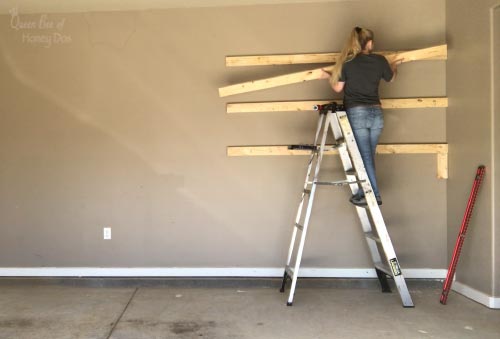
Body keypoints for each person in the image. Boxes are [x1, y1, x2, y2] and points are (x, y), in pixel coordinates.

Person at [320, 26, 402, 207]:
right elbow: (391, 78)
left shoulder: (347, 63)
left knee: (364, 156)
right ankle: (362, 191)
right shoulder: (380, 60)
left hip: (357, 113)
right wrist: (394, 66)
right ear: (370, 43)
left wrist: (328, 76)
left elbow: (338, 88)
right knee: (367, 156)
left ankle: (374, 195)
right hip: (376, 113)